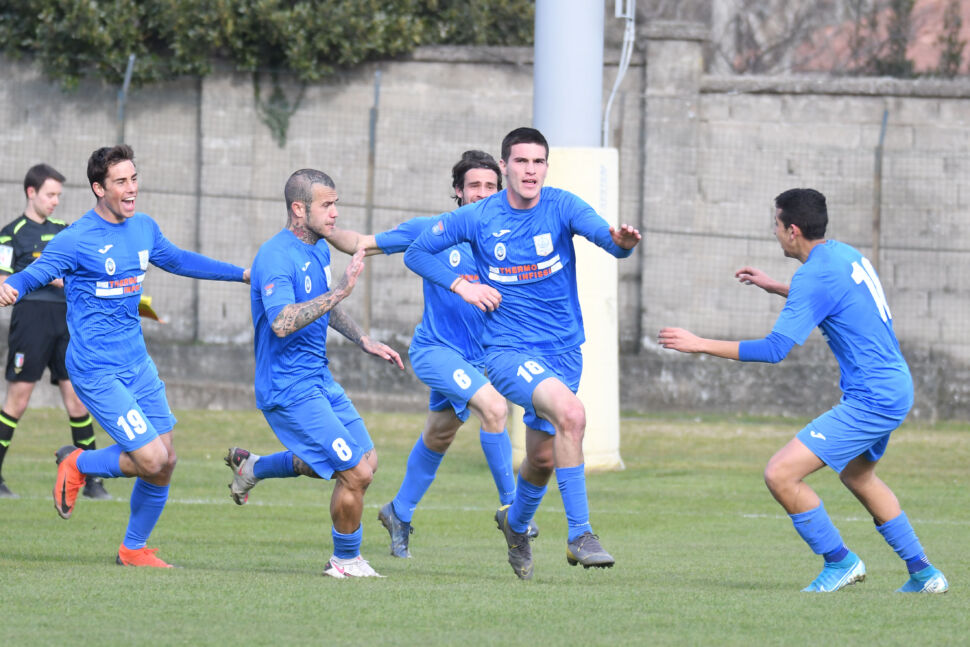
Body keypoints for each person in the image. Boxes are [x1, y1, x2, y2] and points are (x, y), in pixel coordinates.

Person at [658, 188, 948, 594]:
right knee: (859, 477)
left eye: (776, 225)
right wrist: (777, 287)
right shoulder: (843, 254)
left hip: (873, 398)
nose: (775, 233)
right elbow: (840, 298)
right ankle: (924, 573)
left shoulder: (814, 275)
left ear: (792, 230)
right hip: (894, 385)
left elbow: (775, 349)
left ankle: (840, 561)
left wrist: (699, 343)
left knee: (781, 474)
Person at [403, 127, 642, 580]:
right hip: (509, 351)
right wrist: (463, 285)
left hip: (565, 351)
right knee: (572, 414)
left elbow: (608, 240)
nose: (530, 170)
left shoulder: (563, 205)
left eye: (538, 162)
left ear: (545, 168)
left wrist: (622, 243)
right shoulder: (478, 217)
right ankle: (581, 535)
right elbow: (416, 252)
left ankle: (514, 525)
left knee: (543, 458)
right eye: (521, 162)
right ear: (505, 166)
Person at [0, 145, 250, 568]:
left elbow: (180, 261)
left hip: (138, 364)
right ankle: (78, 462)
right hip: (96, 369)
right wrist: (12, 287)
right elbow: (35, 273)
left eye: (134, 178)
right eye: (121, 182)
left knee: (166, 462)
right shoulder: (76, 239)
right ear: (99, 188)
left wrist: (242, 273)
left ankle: (133, 549)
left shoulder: (144, 228)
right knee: (148, 459)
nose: (131, 189)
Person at [323, 150, 536, 559]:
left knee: (439, 435)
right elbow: (362, 243)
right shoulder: (433, 231)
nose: (482, 193)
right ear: (458, 191)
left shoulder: (514, 241)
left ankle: (398, 512)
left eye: (491, 186)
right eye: (474, 185)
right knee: (494, 409)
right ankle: (513, 509)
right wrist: (321, 226)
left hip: (477, 360)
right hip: (435, 351)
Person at [224, 168, 404, 579]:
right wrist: (341, 289)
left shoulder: (319, 248)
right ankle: (344, 560)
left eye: (336, 203)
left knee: (368, 462)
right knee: (354, 473)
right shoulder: (274, 256)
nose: (336, 213)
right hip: (288, 390)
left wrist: (362, 339)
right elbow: (283, 322)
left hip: (318, 380)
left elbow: (323, 303)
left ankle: (254, 467)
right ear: (299, 209)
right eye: (328, 204)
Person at [0, 164, 108, 499]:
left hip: (67, 322)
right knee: (18, 399)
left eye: (59, 196)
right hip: (30, 321)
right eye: (50, 194)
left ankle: (91, 480)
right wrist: (45, 275)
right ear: (31, 193)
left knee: (77, 398)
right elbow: (3, 283)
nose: (55, 202)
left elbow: (88, 269)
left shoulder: (66, 231)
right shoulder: (10, 234)